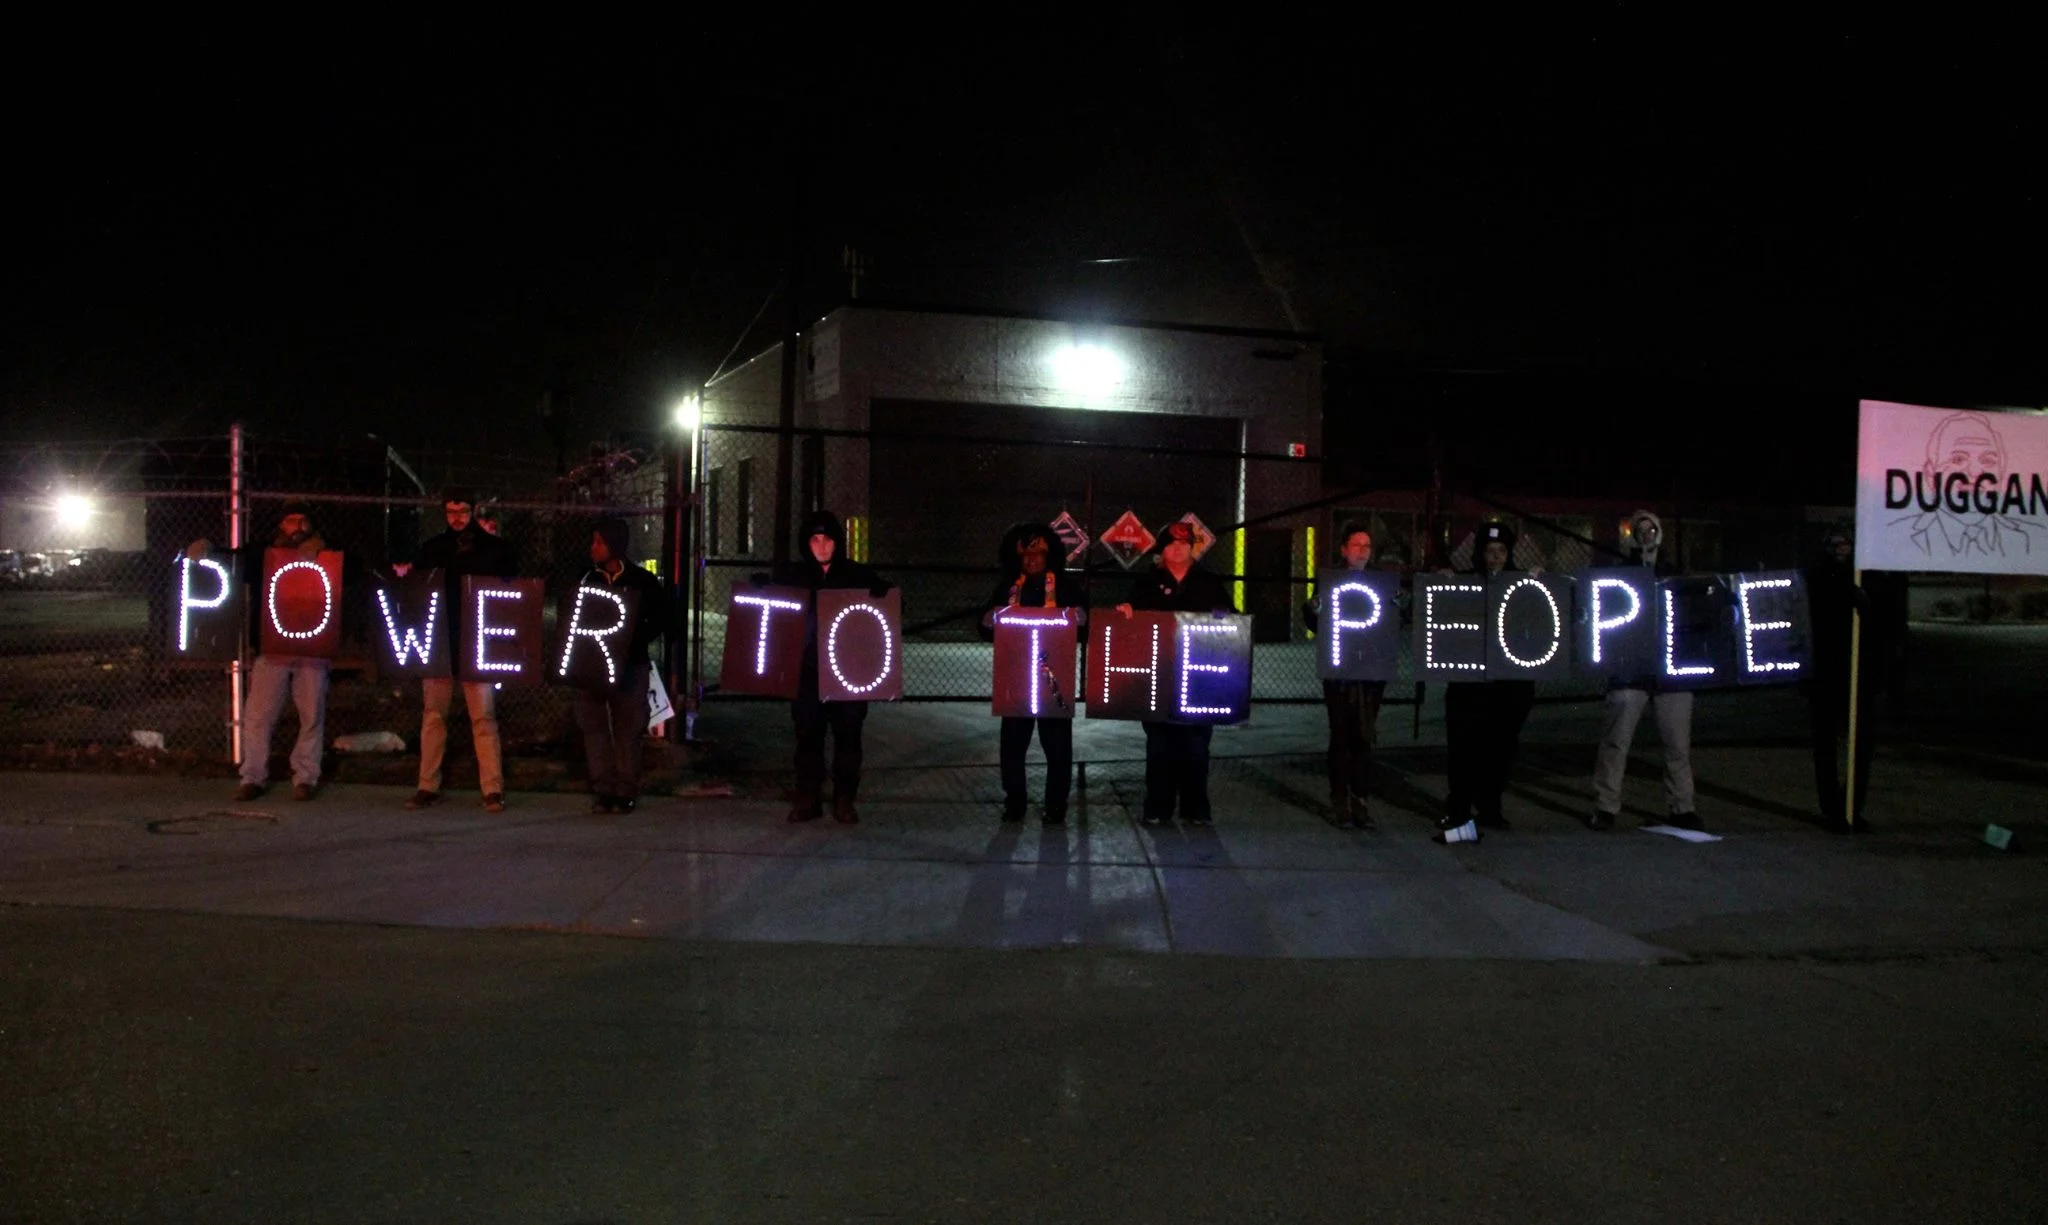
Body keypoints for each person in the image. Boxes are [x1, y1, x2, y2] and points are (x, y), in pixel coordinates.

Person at [189, 500, 330, 803]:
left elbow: (353, 568)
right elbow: (234, 563)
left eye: (302, 520)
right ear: (281, 524)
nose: (296, 527)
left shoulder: (326, 552)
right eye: (290, 520)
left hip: (312, 646)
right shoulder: (263, 552)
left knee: (312, 714)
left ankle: (305, 777)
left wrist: (323, 549)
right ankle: (253, 776)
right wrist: (209, 549)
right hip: (272, 646)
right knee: (257, 715)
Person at [399, 488, 520, 814]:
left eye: (462, 511)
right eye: (451, 511)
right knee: (434, 716)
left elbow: (514, 586)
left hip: (477, 643)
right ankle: (427, 786)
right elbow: (415, 585)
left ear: (474, 511)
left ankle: (492, 790)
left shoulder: (495, 549)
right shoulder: (433, 549)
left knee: (482, 717)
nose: (457, 518)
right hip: (440, 643)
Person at [1587, 510, 1702, 832]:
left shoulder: (1673, 572)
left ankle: (1683, 806)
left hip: (1671, 669)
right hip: (1630, 669)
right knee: (1615, 742)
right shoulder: (1619, 573)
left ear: (1659, 533)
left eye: (1652, 529)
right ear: (1632, 535)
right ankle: (1606, 806)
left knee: (1678, 745)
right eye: (1640, 530)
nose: (1647, 534)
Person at [777, 509, 891, 824]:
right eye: (815, 539)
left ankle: (844, 799)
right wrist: (762, 588)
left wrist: (885, 595)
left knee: (849, 735)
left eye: (828, 539)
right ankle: (808, 797)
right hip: (808, 672)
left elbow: (893, 609)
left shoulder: (857, 574)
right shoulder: (795, 576)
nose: (822, 546)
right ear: (806, 543)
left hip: (849, 674)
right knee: (807, 736)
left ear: (837, 542)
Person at [1117, 520, 1232, 827]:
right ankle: (1158, 807)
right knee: (1159, 744)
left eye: (1184, 542)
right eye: (1171, 542)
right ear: (1161, 549)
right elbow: (1130, 619)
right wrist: (1127, 612)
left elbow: (1229, 618)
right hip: (1159, 677)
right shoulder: (1147, 583)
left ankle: (1196, 808)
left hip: (1199, 679)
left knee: (1196, 745)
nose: (1178, 547)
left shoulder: (1209, 582)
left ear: (1193, 547)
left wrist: (1223, 617)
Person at [979, 523, 1085, 825]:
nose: (1031, 560)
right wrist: (988, 620)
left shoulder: (1065, 588)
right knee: (1012, 745)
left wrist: (1081, 617)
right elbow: (986, 625)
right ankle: (1015, 801)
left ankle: (1056, 805)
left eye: (1038, 553)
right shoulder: (1008, 587)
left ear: (1049, 555)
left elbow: (1085, 624)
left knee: (1057, 746)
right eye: (1025, 555)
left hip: (1055, 679)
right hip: (1016, 680)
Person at [1437, 521, 1536, 844]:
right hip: (1469, 683)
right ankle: (1460, 807)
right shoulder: (1464, 583)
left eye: (1501, 552)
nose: (1495, 558)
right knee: (1464, 747)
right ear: (1480, 553)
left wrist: (1538, 584)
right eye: (1489, 552)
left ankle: (1490, 805)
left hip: (1509, 684)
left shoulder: (1523, 585)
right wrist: (1444, 586)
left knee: (1501, 747)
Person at [1803, 528, 1903, 833]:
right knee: (1826, 744)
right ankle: (1832, 807)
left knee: (1861, 746)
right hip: (1826, 673)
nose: (1840, 548)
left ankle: (1852, 807)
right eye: (1833, 542)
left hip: (1863, 673)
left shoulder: (1870, 578)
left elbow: (1888, 622)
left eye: (1845, 541)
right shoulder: (1816, 578)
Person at [573, 518, 669, 814]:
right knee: (594, 726)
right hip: (592, 666)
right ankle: (602, 789)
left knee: (629, 728)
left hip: (631, 666)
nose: (593, 548)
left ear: (615, 545)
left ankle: (626, 790)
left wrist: (632, 640)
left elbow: (661, 619)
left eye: (599, 542)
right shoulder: (587, 580)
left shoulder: (642, 582)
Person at [1304, 521, 1385, 830]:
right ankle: (1340, 801)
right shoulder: (1330, 581)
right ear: (1343, 550)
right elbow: (1314, 621)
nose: (1362, 551)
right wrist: (1313, 609)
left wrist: (1401, 607)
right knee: (1341, 737)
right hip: (1339, 673)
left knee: (1364, 738)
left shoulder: (1381, 582)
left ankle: (1360, 801)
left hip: (1372, 673)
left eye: (1367, 546)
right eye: (1356, 545)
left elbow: (1395, 620)